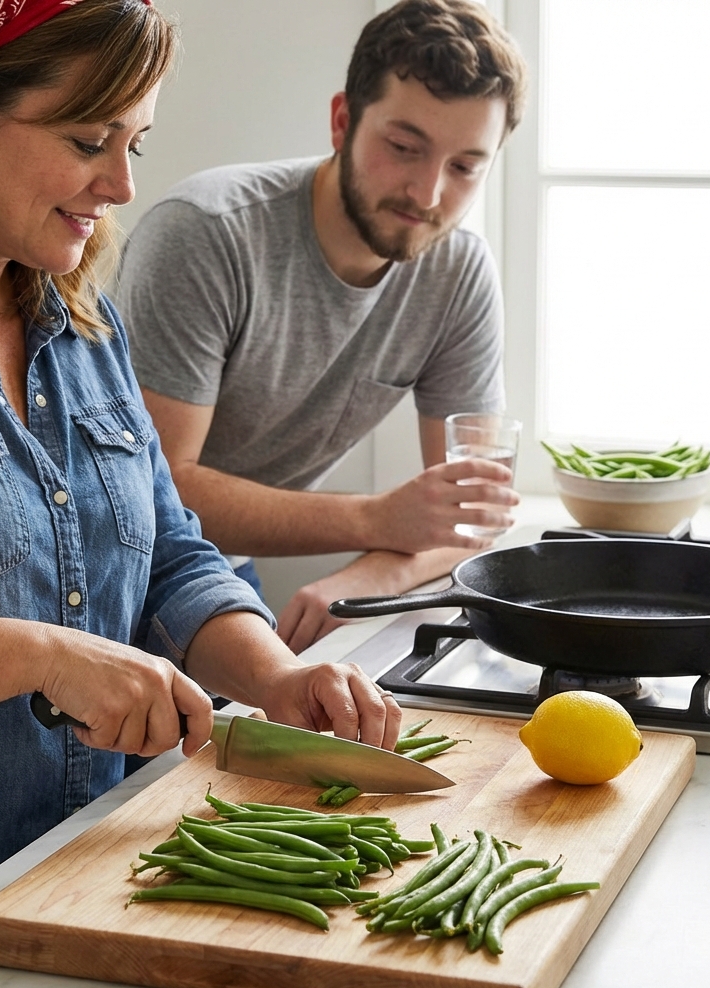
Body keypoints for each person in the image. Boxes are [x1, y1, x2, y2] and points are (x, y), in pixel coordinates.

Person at [0, 0, 400, 985]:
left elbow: (168, 548)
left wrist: (273, 674)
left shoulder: (84, 319)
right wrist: (36, 654)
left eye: (136, 140)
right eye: (90, 139)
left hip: (86, 896)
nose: (122, 183)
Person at [117, 0, 528, 655]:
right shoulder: (206, 234)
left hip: (224, 568)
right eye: (404, 148)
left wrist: (370, 578)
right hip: (115, 572)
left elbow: (469, 511)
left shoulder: (457, 272)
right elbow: (157, 488)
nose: (427, 193)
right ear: (343, 121)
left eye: (464, 167)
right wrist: (374, 517)